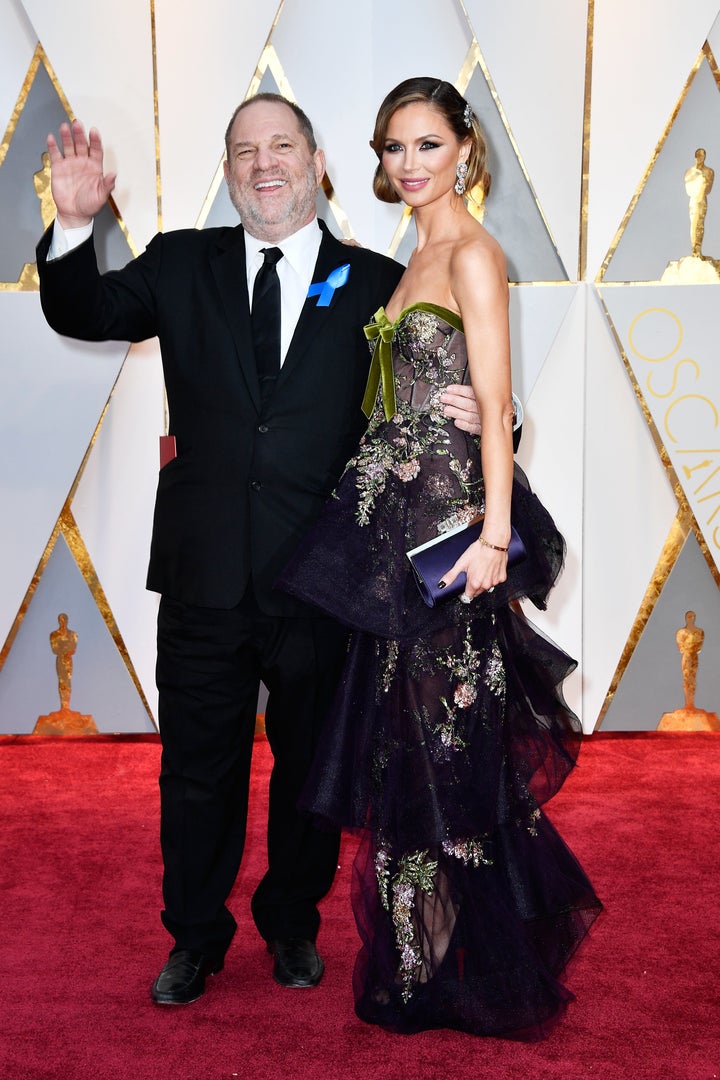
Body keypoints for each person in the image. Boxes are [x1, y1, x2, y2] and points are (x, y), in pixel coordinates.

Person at [35, 93, 483, 1006]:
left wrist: (495, 413)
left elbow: (443, 379)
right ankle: (194, 938)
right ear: (229, 169)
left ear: (318, 164)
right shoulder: (178, 263)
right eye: (245, 150)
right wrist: (73, 225)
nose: (264, 164)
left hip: (323, 578)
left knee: (312, 770)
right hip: (204, 575)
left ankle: (291, 924)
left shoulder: (373, 283)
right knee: (197, 769)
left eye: (283, 146)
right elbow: (82, 310)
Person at [279, 77, 602, 1039]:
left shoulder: (472, 255)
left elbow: (495, 407)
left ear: (464, 146)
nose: (408, 165)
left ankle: (475, 963)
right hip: (392, 542)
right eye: (392, 148)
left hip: (452, 540)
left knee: (449, 749)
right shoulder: (406, 250)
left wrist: (498, 538)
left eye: (426, 145)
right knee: (403, 748)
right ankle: (421, 958)